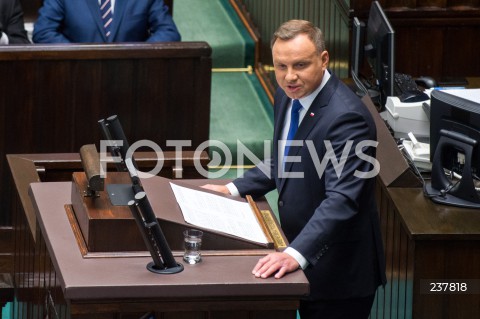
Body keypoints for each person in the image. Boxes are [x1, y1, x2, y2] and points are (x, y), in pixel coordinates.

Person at [202, 20, 386, 319]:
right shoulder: (288, 95)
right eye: (281, 66)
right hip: (299, 248)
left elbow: (342, 200)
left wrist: (294, 254)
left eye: (300, 65)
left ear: (324, 60)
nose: (289, 77)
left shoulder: (347, 118)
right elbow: (286, 155)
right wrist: (233, 189)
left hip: (337, 273)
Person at [32, 0, 181, 43]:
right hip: (78, 81)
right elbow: (43, 31)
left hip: (132, 82)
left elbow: (168, 32)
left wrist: (137, 56)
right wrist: (80, 56)